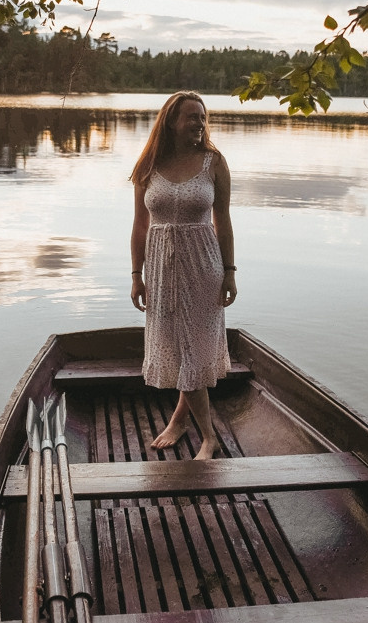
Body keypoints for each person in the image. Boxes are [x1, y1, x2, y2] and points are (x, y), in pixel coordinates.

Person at [130, 91, 236, 460]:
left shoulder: (214, 162)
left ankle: (209, 437)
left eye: (203, 117)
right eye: (192, 117)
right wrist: (136, 274)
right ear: (171, 121)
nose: (199, 123)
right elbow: (140, 225)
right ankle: (179, 421)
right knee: (176, 347)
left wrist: (230, 271)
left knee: (195, 348)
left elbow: (223, 221)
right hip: (160, 269)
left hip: (204, 266)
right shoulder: (148, 165)